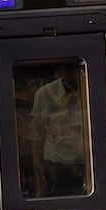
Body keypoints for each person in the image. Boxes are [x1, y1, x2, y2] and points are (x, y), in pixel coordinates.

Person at [28, 65, 86, 196]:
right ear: (59, 71)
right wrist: (40, 182)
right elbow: (37, 142)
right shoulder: (44, 95)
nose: (75, 74)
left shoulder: (92, 87)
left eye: (78, 69)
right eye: (70, 69)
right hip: (56, 168)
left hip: (89, 166)